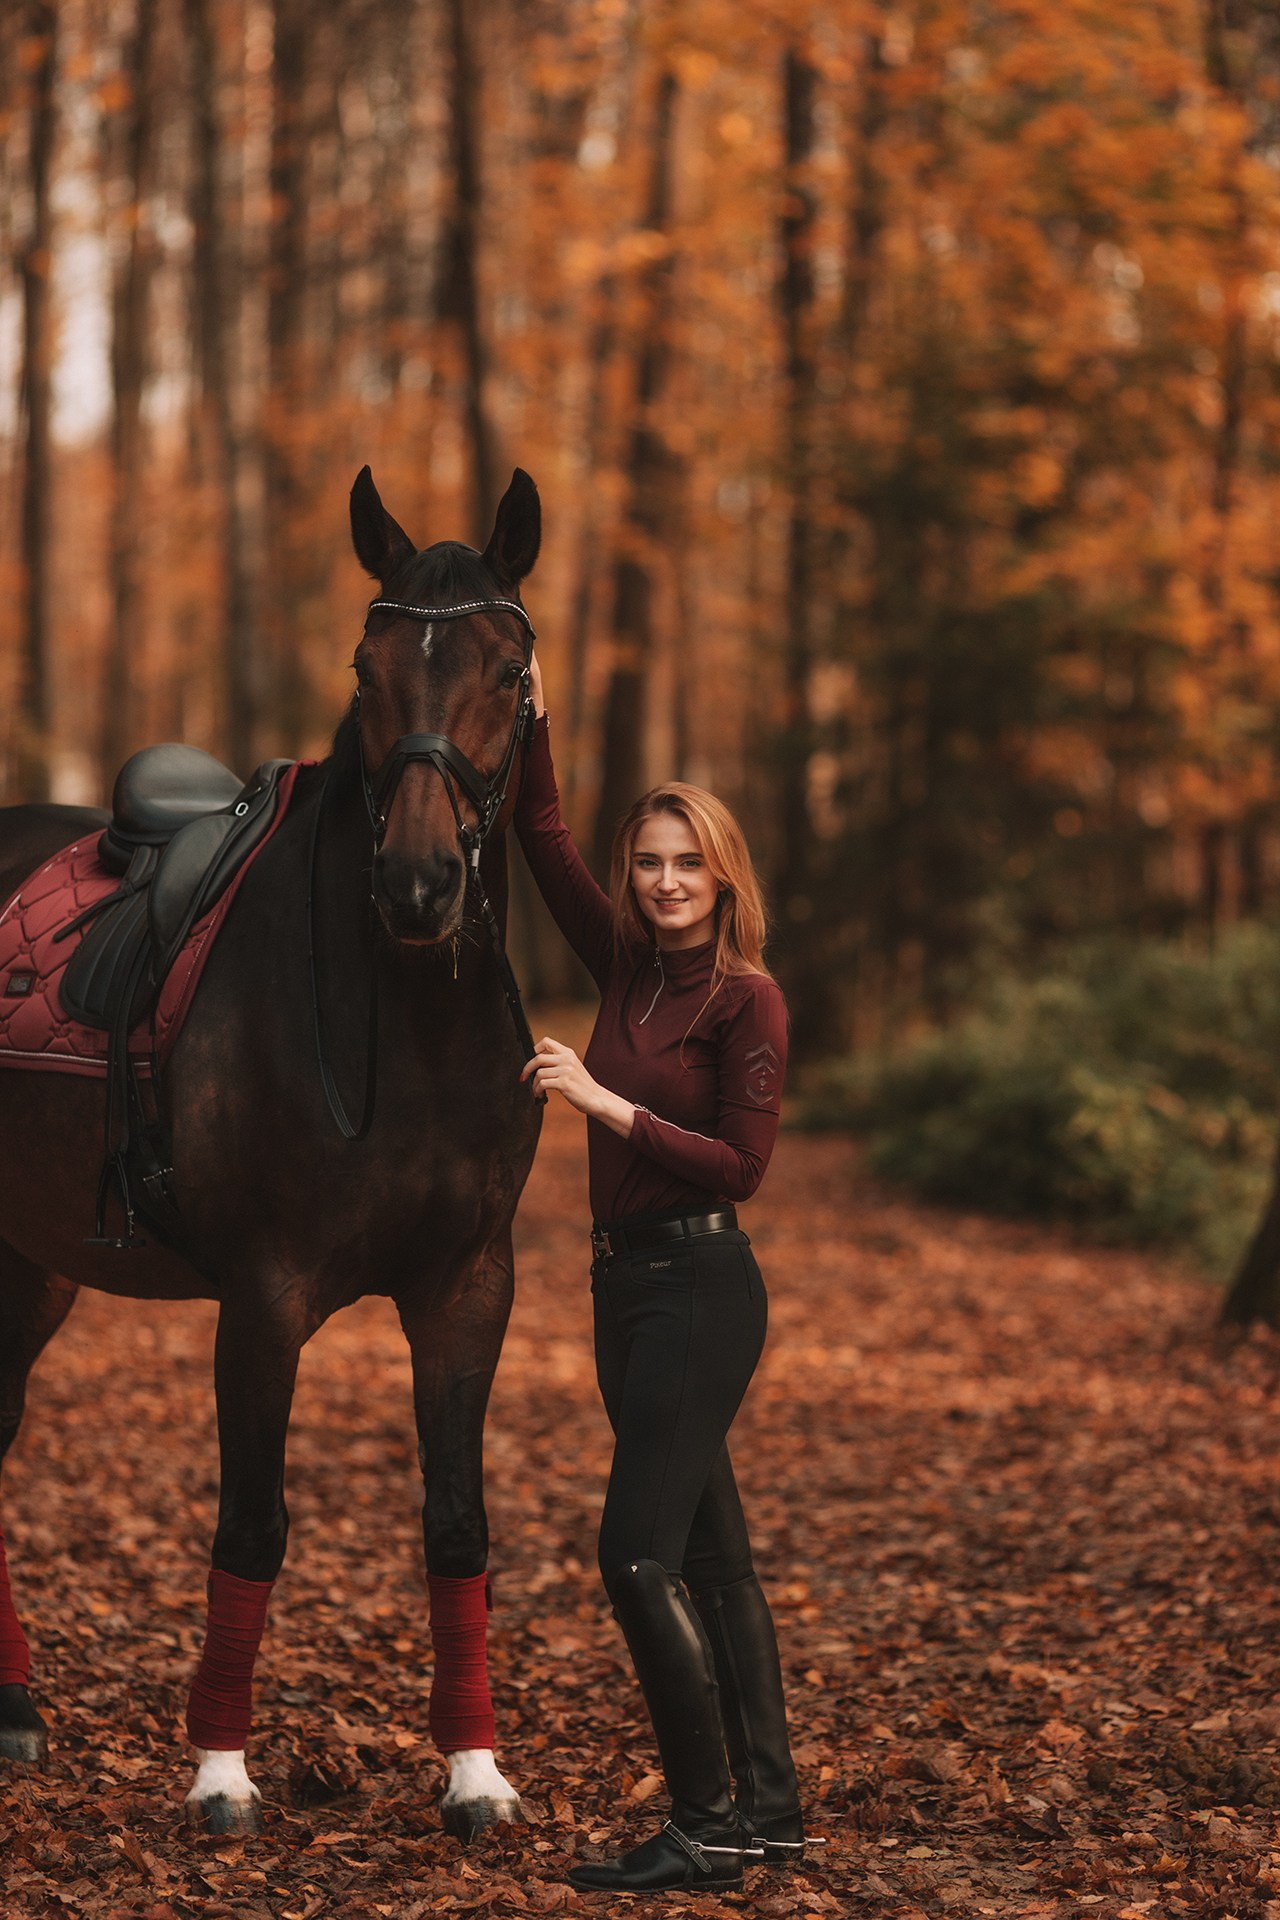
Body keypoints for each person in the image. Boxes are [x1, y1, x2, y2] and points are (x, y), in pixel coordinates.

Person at [514, 654, 806, 1895]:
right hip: (621, 1289)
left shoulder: (748, 1000)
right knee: (714, 1563)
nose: (667, 882)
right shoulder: (625, 968)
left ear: (722, 873)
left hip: (701, 1290)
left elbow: (740, 1167)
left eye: (688, 862)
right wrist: (528, 708)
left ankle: (704, 1821)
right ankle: (770, 1814)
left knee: (633, 1554)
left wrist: (600, 1100)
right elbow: (537, 834)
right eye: (649, 863)